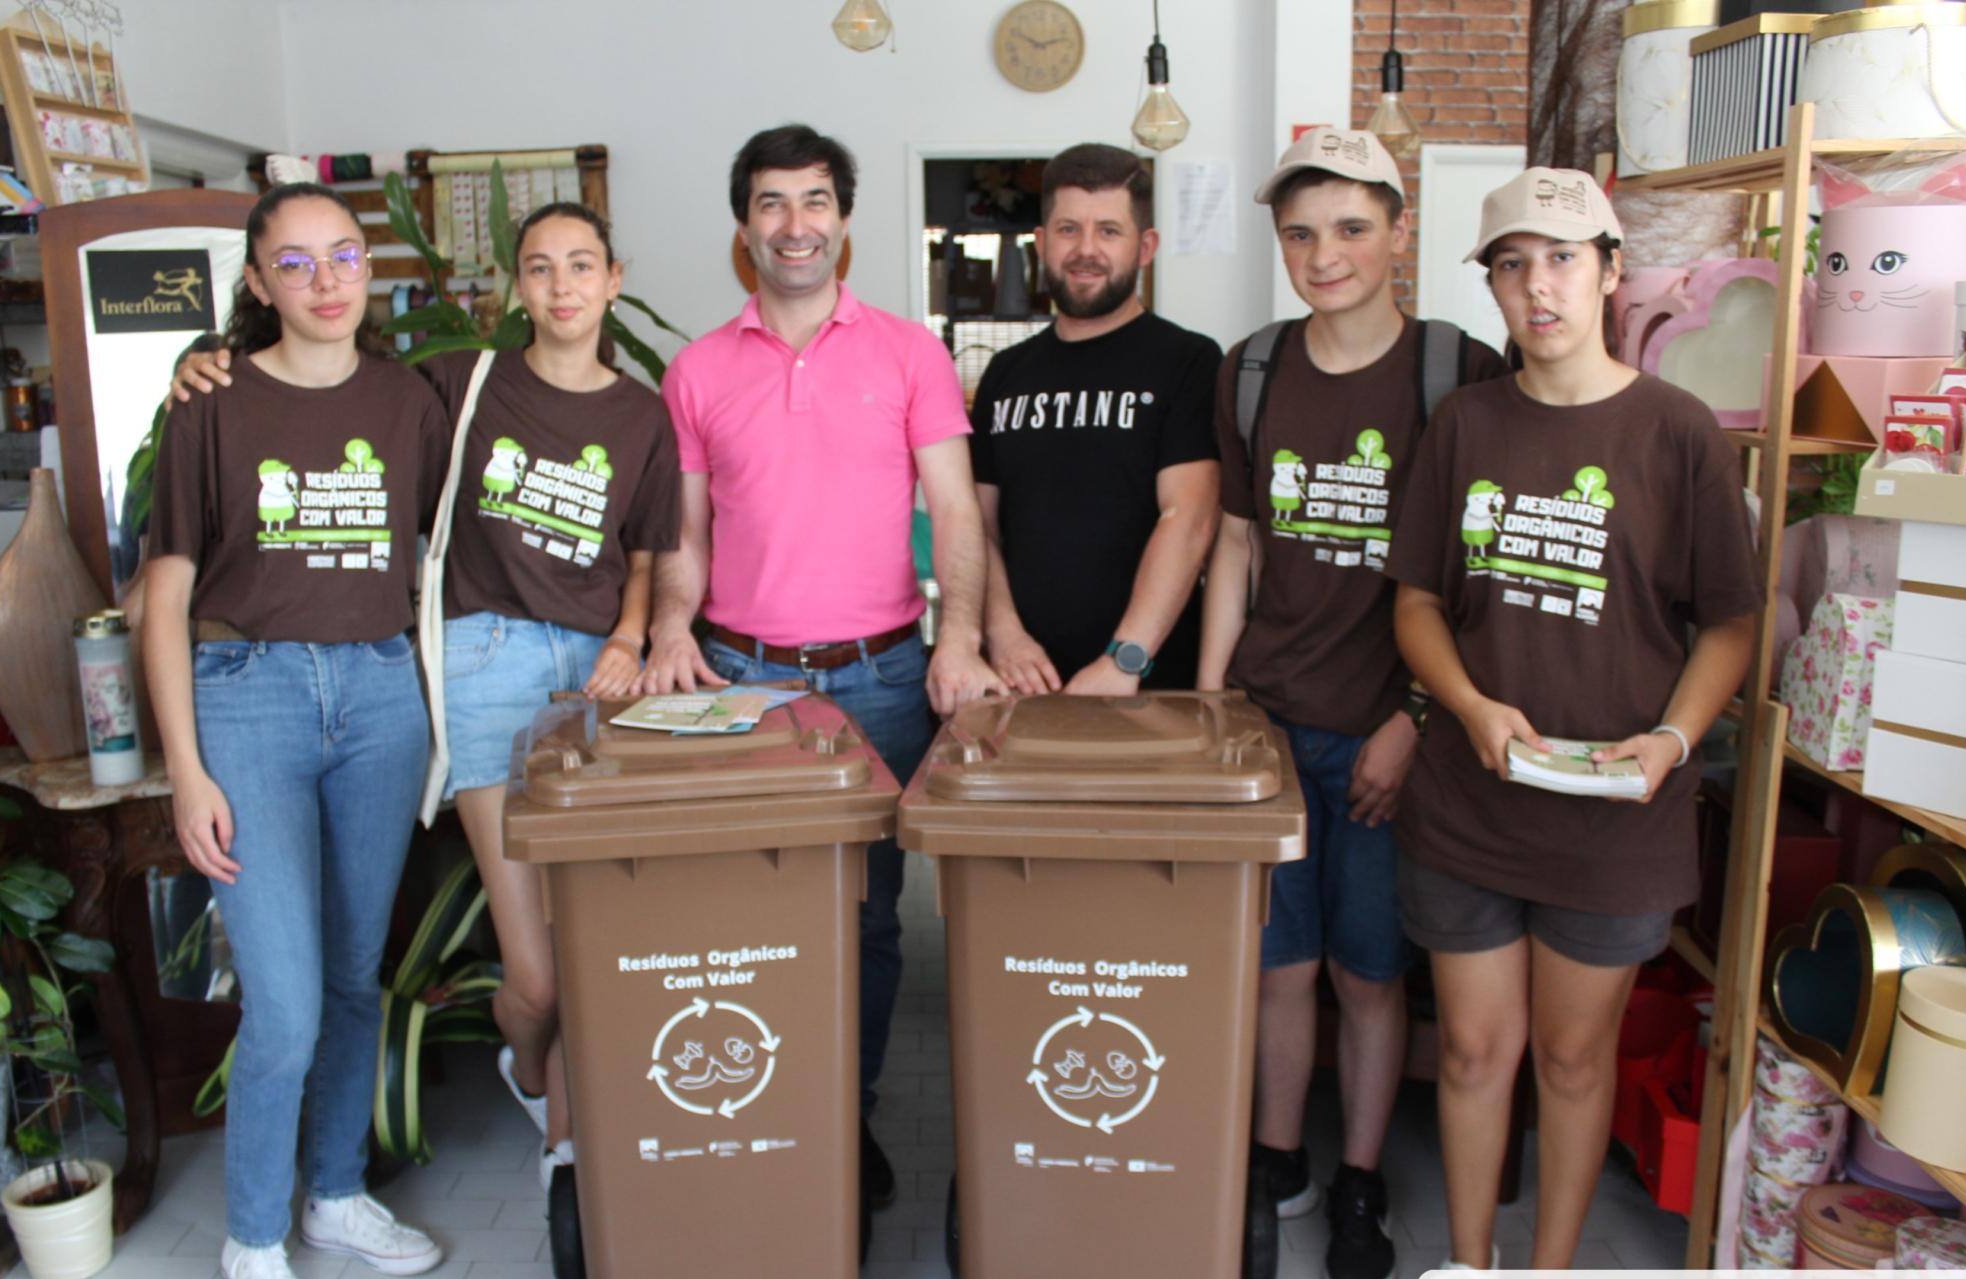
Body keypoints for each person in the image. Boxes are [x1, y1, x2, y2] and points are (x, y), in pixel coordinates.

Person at [169, 203, 683, 1194]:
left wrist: (628, 635)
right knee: (534, 974)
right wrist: (202, 366)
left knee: (592, 940)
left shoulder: (640, 413)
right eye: (540, 267)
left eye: (582, 266)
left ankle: (568, 1152)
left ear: (613, 279)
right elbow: (318, 396)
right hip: (479, 667)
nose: (563, 286)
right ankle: (530, 1074)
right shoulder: (453, 386)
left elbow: (648, 550)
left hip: (594, 677)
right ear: (513, 288)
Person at [1383, 166, 1758, 1279]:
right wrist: (1468, 704)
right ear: (1489, 284)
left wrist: (1672, 738)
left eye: (1557, 259)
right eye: (1509, 264)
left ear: (1607, 269)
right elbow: (1416, 602)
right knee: (1474, 1050)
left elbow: (1729, 623)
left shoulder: (1674, 432)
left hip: (1616, 815)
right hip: (1469, 803)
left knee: (1570, 1054)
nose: (1535, 286)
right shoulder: (1466, 425)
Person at [632, 124, 1005, 1205]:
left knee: (869, 915)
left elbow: (952, 508)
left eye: (811, 202)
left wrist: (963, 640)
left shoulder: (907, 353)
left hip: (882, 677)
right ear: (743, 228)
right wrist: (666, 629)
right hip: (738, 682)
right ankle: (768, 1108)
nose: (792, 225)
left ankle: (846, 1114)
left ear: (841, 220)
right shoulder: (696, 369)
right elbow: (687, 532)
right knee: (752, 911)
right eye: (769, 204)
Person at [1198, 128, 1509, 1279]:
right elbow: (1237, 541)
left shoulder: (1455, 372)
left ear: (1395, 232)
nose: (1321, 255)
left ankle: (1362, 1179)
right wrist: (1217, 701)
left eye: (1347, 228)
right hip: (1269, 728)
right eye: (1298, 233)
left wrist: (1420, 719)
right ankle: (1279, 1157)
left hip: (1392, 734)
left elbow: (1484, 577)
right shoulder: (1254, 368)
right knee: (1279, 969)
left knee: (1370, 974)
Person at [143, 182, 449, 1279]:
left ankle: (334, 1194)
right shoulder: (210, 407)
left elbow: (447, 544)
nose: (326, 282)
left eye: (343, 256)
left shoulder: (408, 401)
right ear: (259, 283)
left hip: (379, 696)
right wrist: (185, 767)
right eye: (295, 264)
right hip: (249, 699)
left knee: (352, 976)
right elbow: (163, 597)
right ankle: (253, 1234)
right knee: (278, 1004)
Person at [971, 143, 1220, 694]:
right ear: (1041, 242)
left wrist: (1124, 660)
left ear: (1145, 246)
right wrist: (1003, 631)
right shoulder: (1005, 374)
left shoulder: (1189, 362)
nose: (1086, 250)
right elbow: (978, 526)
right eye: (1067, 230)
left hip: (1148, 683)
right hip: (1020, 682)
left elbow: (1189, 517)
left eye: (1109, 231)